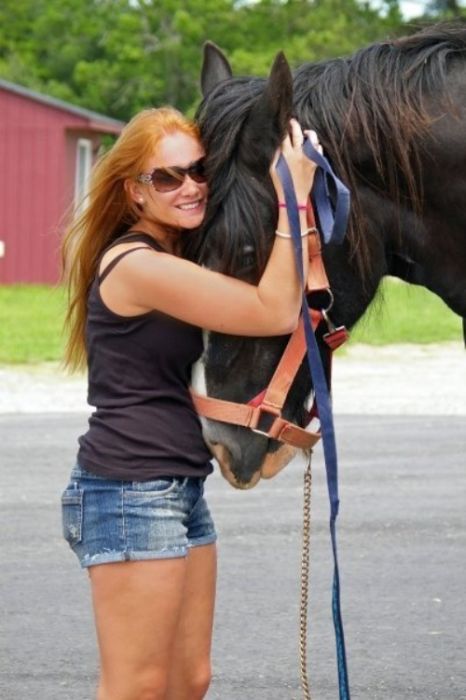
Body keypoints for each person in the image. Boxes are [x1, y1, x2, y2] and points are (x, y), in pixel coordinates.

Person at [61, 106, 320, 700]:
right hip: (128, 488)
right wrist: (294, 194)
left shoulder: (174, 254)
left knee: (188, 681)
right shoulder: (137, 266)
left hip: (177, 487)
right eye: (167, 177)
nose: (190, 186)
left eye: (198, 170)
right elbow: (271, 310)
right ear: (133, 192)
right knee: (138, 688)